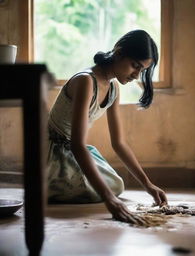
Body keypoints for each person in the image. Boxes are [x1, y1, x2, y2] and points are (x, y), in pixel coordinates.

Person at [47, 29, 168, 224]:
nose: (136, 75)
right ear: (118, 52)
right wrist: (108, 199)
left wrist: (148, 184)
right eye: (134, 66)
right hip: (51, 154)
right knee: (105, 190)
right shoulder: (86, 81)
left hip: (73, 151)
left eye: (142, 70)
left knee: (115, 185)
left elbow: (118, 143)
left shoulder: (113, 87)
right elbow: (78, 145)